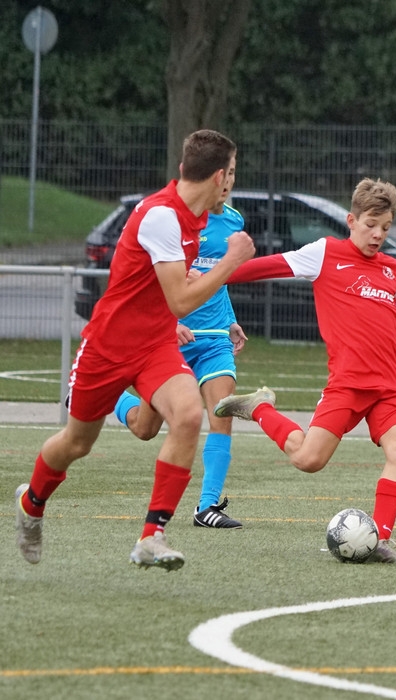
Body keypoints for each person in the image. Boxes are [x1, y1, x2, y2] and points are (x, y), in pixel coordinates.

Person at [213, 178, 396, 565]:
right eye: (371, 225)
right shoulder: (324, 253)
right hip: (347, 384)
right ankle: (259, 407)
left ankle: (380, 539)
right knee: (308, 460)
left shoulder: (393, 269)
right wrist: (213, 274)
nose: (378, 235)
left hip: (392, 386)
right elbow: (266, 267)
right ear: (352, 221)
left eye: (386, 228)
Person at [13, 129, 256, 571]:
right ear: (219, 177)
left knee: (188, 415)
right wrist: (230, 261)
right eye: (233, 172)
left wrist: (204, 303)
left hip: (156, 344)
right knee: (76, 443)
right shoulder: (163, 216)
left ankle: (151, 537)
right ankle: (31, 504)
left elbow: (167, 290)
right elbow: (180, 300)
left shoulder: (197, 218)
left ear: (184, 168)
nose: (233, 181)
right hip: (108, 346)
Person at [113, 191, 248, 530]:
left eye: (232, 173)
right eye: (223, 173)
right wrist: (169, 324)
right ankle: (108, 397)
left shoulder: (234, 220)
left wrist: (230, 320)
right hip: (171, 341)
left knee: (223, 413)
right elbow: (152, 280)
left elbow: (219, 280)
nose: (226, 182)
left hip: (215, 339)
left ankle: (207, 507)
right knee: (145, 428)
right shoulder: (173, 221)